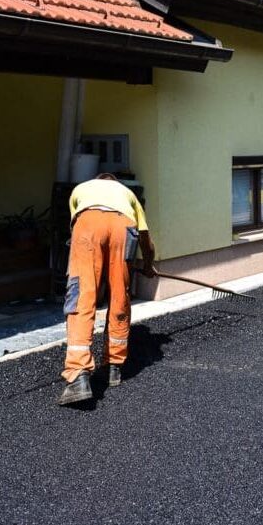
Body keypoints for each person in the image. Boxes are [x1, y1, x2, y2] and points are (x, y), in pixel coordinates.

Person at [59, 173, 156, 405]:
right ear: (115, 183)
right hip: (124, 228)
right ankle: (114, 366)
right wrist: (149, 265)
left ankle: (78, 375)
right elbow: (145, 238)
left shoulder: (81, 189)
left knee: (82, 295)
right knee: (120, 295)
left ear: (98, 180)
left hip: (88, 225)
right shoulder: (128, 194)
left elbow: (77, 226)